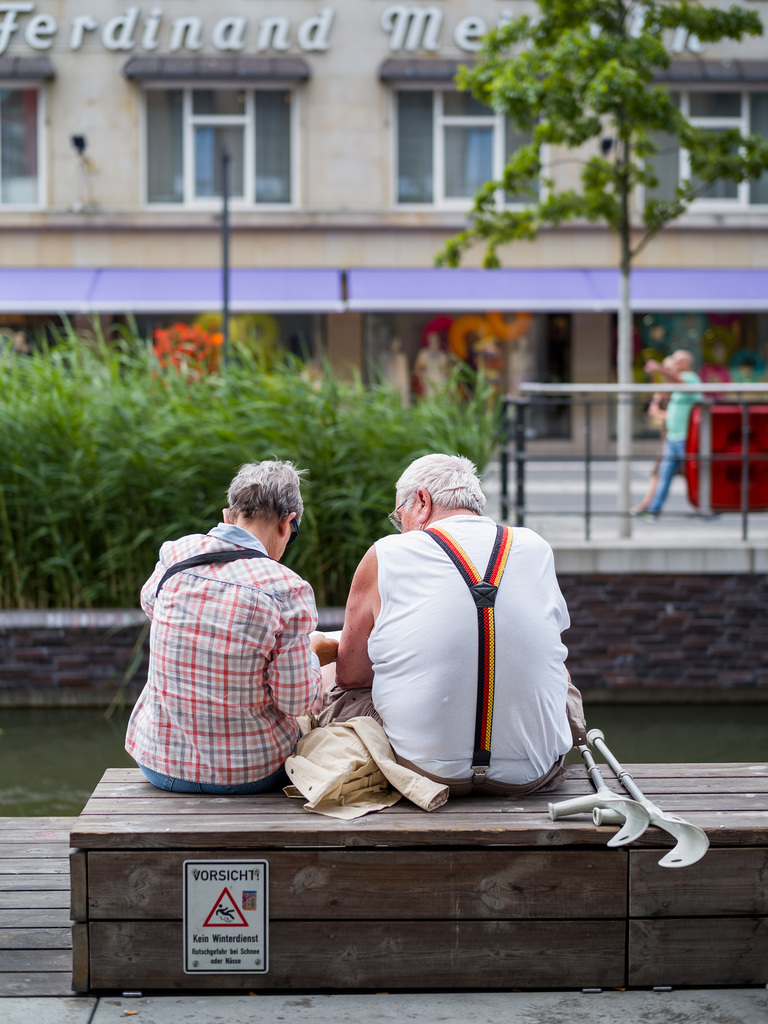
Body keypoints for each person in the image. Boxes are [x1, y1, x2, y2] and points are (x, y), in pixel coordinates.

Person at [328, 453, 585, 796]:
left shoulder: (387, 554)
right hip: (531, 774)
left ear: (421, 501)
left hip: (422, 770)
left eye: (398, 516)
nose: (400, 527)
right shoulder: (536, 547)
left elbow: (352, 675)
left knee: (330, 677)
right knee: (561, 674)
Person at [126, 460, 338, 794]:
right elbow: (295, 701)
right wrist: (313, 651)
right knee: (323, 689)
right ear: (288, 523)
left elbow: (150, 603)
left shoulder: (176, 554)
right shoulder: (287, 588)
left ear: (228, 516)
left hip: (157, 762)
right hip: (247, 773)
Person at [641, 350, 702, 518]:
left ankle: (702, 507)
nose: (673, 363)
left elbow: (677, 380)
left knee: (693, 475)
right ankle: (654, 509)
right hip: (672, 438)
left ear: (685, 363)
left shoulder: (691, 378)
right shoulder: (677, 383)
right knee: (664, 475)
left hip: (686, 438)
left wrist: (659, 368)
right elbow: (670, 382)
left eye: (675, 360)